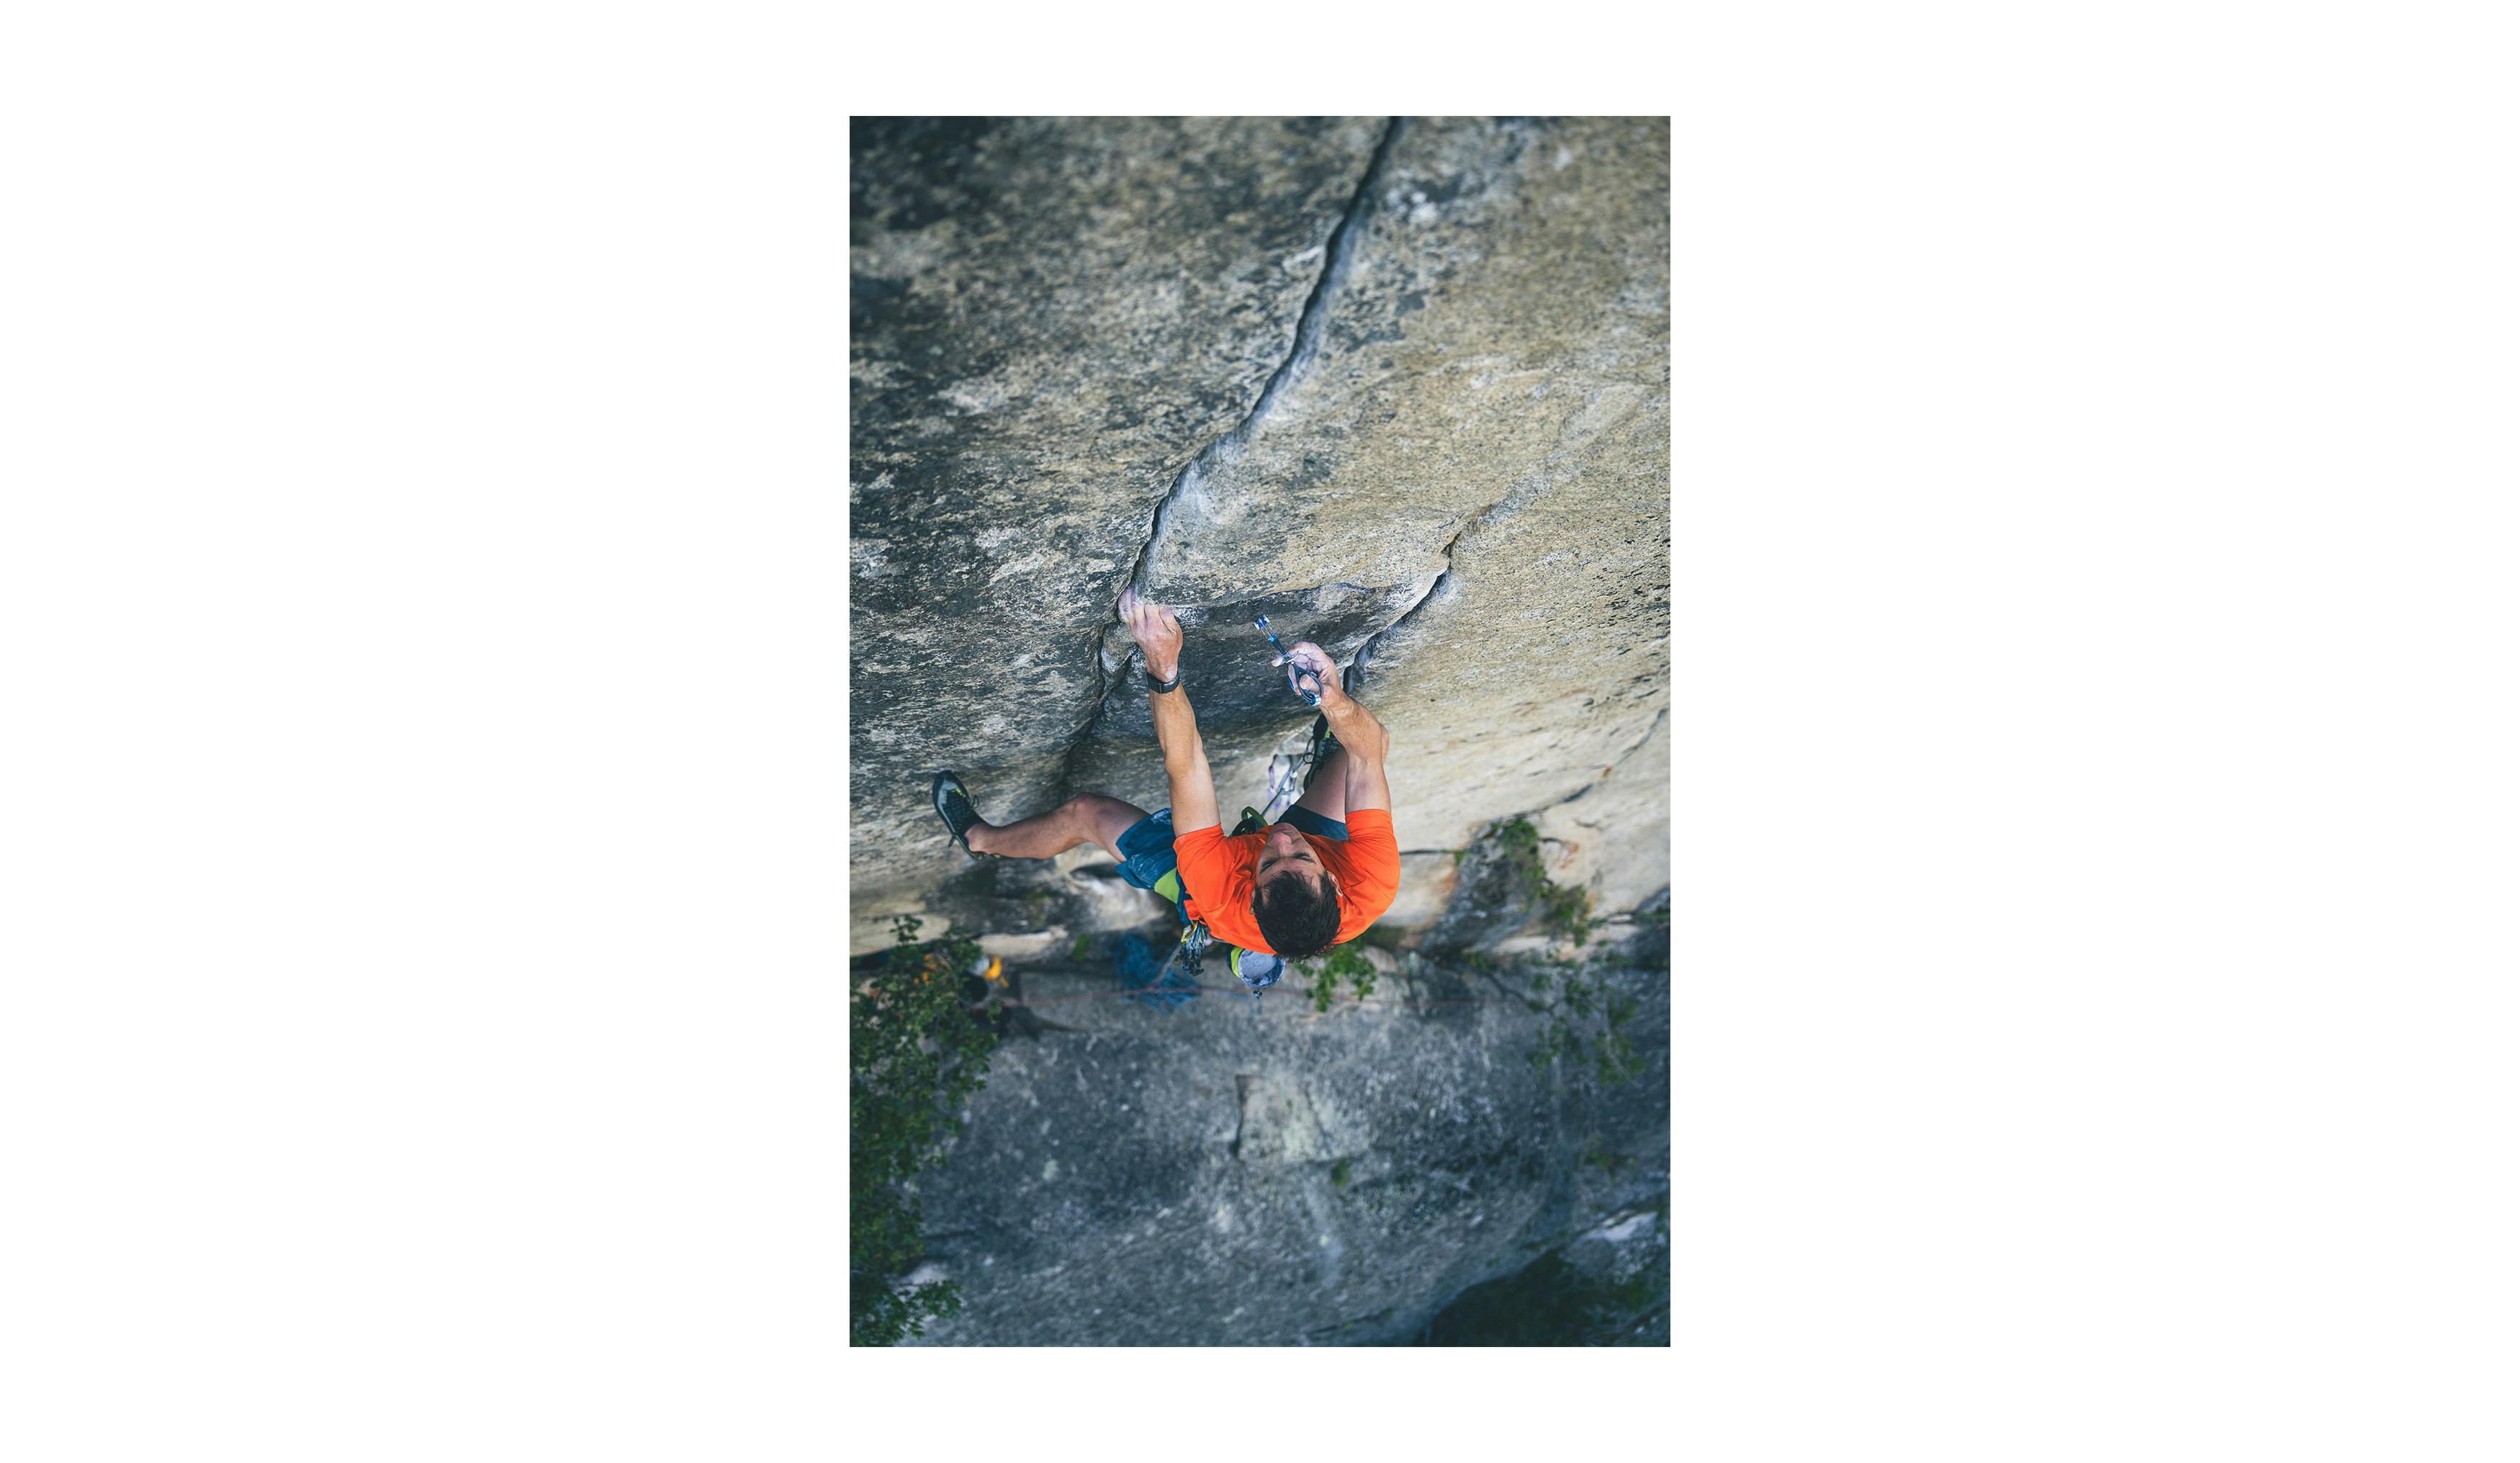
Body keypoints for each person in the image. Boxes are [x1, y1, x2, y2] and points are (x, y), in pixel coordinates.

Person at [927, 588, 1400, 963]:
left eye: (1270, 864)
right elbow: (1368, 751)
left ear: (1252, 893)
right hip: (1322, 861)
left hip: (1202, 897)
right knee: (1365, 748)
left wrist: (1163, 665)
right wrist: (1331, 699)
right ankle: (1324, 771)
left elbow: (1186, 764)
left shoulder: (1219, 890)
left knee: (1086, 813)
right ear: (1334, 883)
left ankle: (980, 840)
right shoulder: (1371, 882)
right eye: (1298, 854)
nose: (1279, 839)